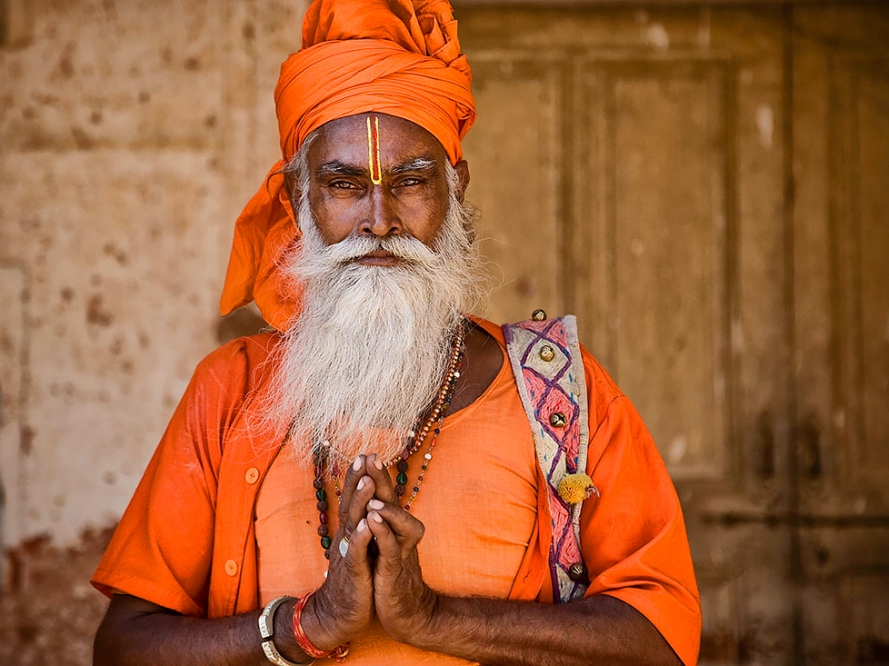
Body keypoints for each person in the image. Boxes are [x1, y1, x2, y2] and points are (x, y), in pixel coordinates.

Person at [91, 1, 701, 664]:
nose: (378, 220)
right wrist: (308, 626)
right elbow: (124, 649)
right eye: (344, 184)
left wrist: (433, 619)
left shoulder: (557, 394)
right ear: (300, 199)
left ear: (454, 187)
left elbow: (660, 641)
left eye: (411, 181)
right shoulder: (231, 391)